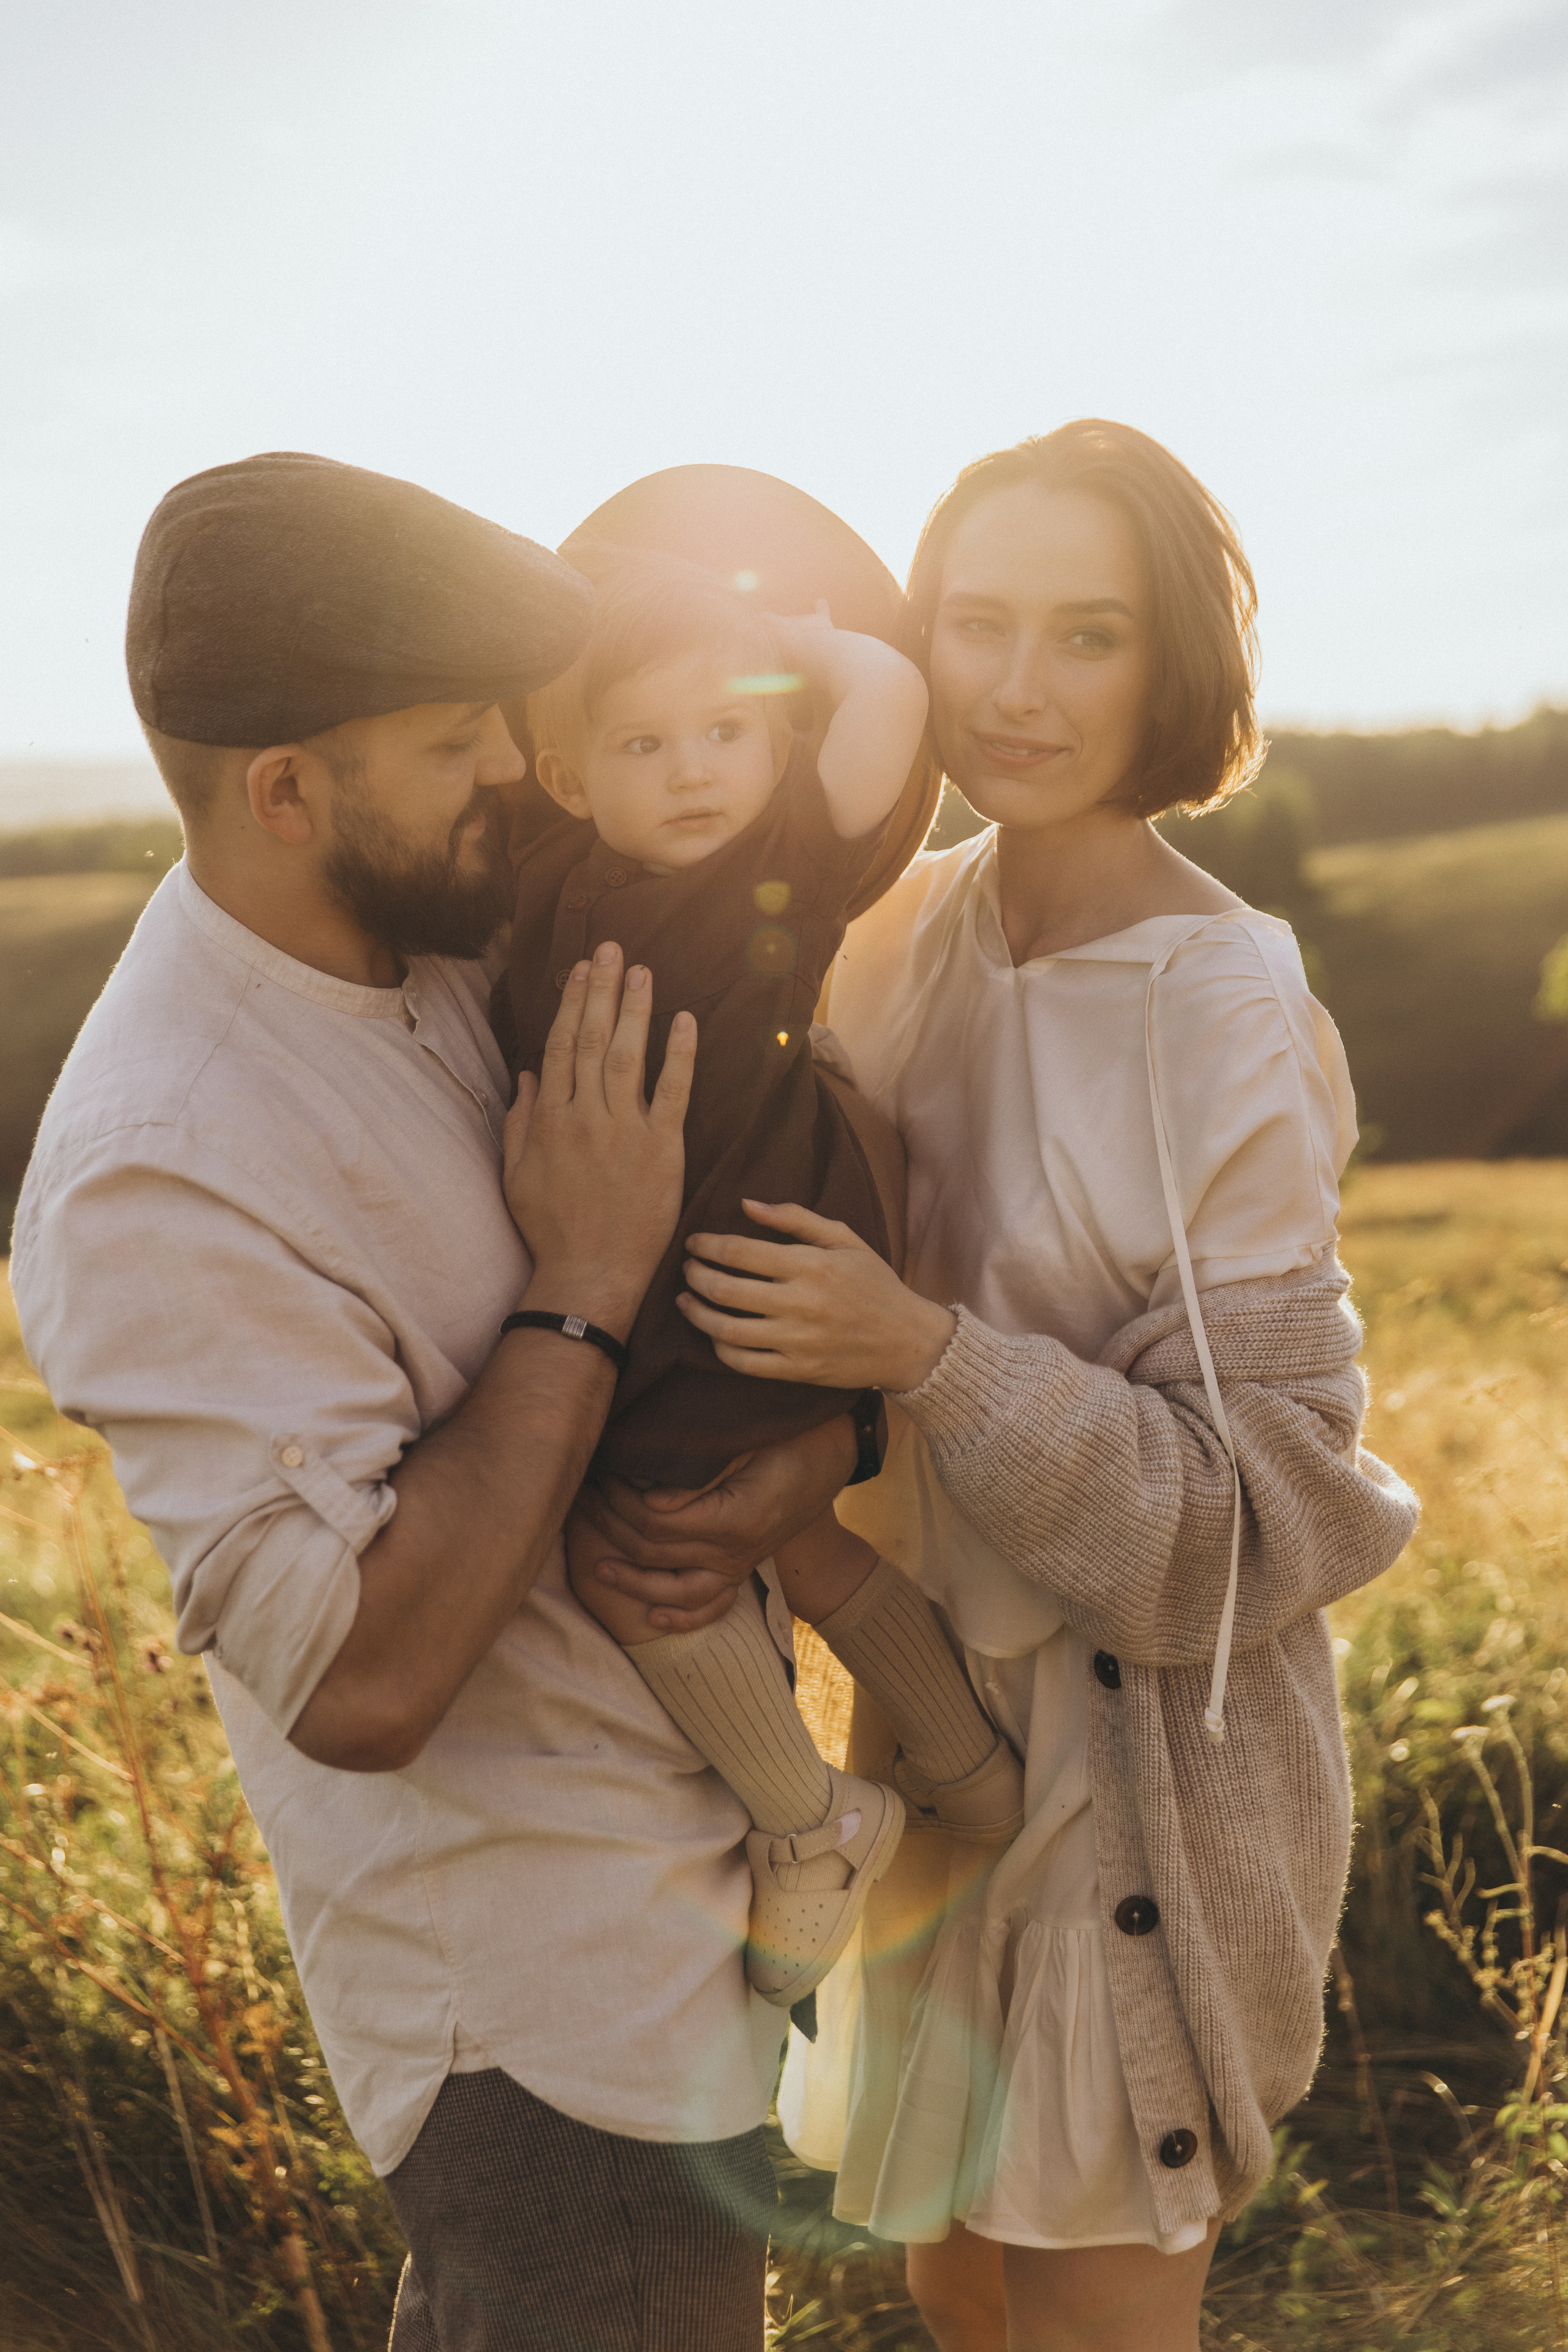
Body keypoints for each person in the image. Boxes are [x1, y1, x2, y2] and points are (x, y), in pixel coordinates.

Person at [9, 451, 867, 2352]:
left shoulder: (453, 940)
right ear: (286, 790)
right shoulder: (168, 1161)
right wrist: (582, 1283)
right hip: (542, 2016)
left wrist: (825, 1437)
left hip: (662, 1920)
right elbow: (365, 1681)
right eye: (459, 734)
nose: (514, 765)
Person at [666, 421, 1421, 2351]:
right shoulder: (895, 936)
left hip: (1146, 1781)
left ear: (1174, 668)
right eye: (975, 624)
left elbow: (1256, 1527)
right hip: (932, 1755)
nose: (1014, 686)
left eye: (1086, 635)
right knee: (955, 2283)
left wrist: (920, 1352)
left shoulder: (1225, 1002)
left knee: (1086, 2306)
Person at [507, 549, 1023, 2011]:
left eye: (726, 730)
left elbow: (892, 688)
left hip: (738, 1278)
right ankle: (969, 1765)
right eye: (645, 745)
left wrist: (781, 635)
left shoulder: (768, 865)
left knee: (653, 1554)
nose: (692, 772)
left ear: (774, 742)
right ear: (567, 774)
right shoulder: (556, 871)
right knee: (796, 1550)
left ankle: (811, 1823)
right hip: (681, 1270)